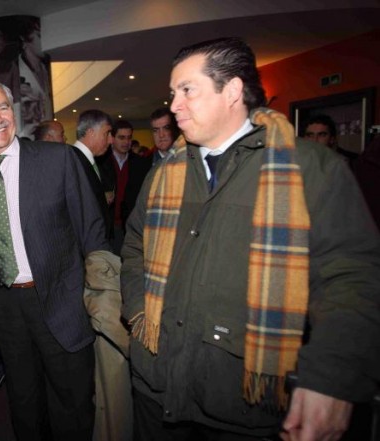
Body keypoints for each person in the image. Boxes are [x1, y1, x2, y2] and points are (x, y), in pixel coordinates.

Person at [121, 37, 380, 441]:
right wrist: (140, 311)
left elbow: (351, 277)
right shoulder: (164, 173)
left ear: (232, 90)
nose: (174, 106)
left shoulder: (309, 167)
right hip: (157, 386)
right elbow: (134, 245)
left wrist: (333, 376)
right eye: (173, 93)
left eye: (187, 90)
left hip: (242, 402)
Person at [0, 78, 109, 441]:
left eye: (2, 107)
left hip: (60, 301)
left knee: (72, 405)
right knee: (23, 404)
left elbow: (93, 234)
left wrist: (97, 299)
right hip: (4, 309)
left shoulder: (59, 160)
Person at [107, 120, 152, 254]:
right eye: (121, 137)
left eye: (129, 137)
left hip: (132, 226)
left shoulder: (141, 164)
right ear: (112, 138)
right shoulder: (102, 162)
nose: (126, 142)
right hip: (108, 227)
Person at [73, 109, 115, 243]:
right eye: (107, 133)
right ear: (91, 132)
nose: (111, 140)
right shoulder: (73, 162)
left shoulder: (87, 160)